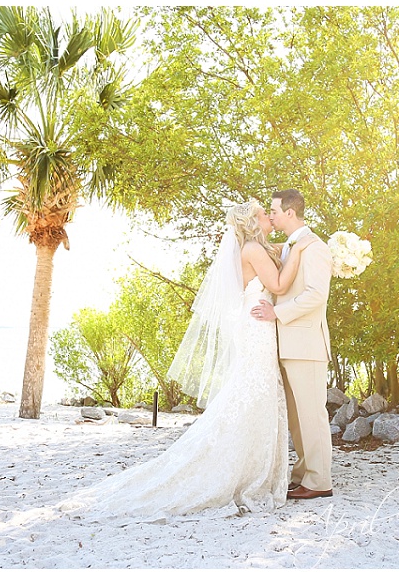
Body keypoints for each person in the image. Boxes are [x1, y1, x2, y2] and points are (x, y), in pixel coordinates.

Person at [58, 201, 311, 521]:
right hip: (258, 327)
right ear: (253, 221)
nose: (268, 218)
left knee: (252, 393)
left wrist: (293, 244)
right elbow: (277, 285)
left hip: (253, 326)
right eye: (264, 214)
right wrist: (301, 251)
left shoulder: (250, 248)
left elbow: (278, 253)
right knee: (255, 393)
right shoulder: (253, 250)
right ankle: (244, 470)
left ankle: (245, 464)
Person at [251, 189, 333, 500]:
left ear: (290, 212)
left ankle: (320, 481)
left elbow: (315, 295)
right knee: (298, 419)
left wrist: (277, 313)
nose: (270, 216)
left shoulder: (313, 247)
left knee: (312, 415)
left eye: (273, 211)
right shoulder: (289, 245)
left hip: (307, 343)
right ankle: (304, 475)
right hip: (288, 344)